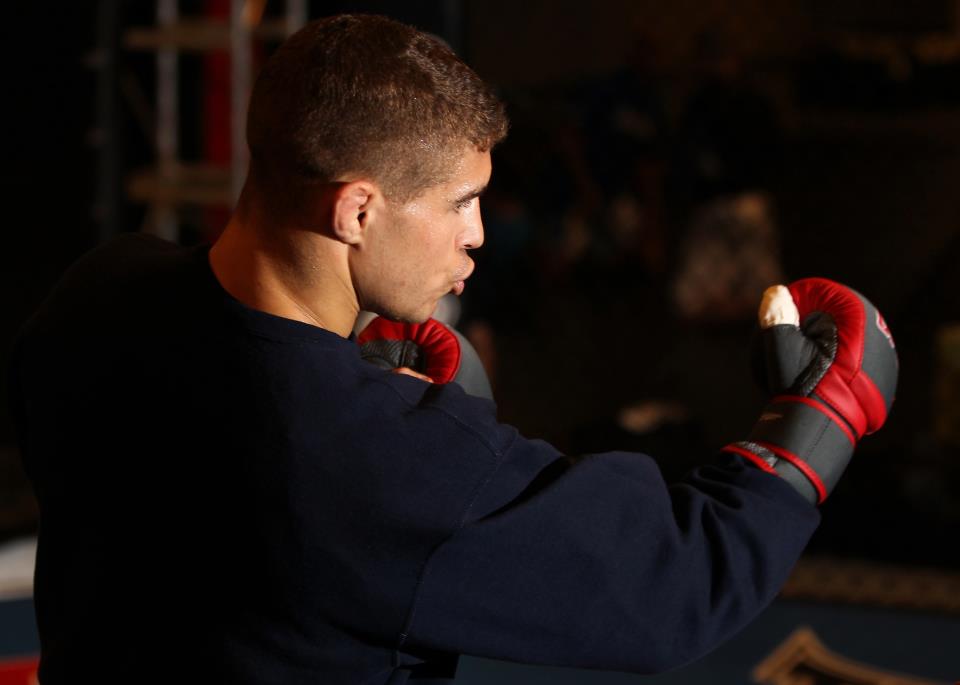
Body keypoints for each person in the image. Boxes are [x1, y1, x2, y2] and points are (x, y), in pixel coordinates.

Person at [9, 14, 895, 685]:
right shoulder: (378, 462)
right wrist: (817, 425)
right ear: (357, 210)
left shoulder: (100, 291)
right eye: (460, 201)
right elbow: (674, 586)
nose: (478, 232)